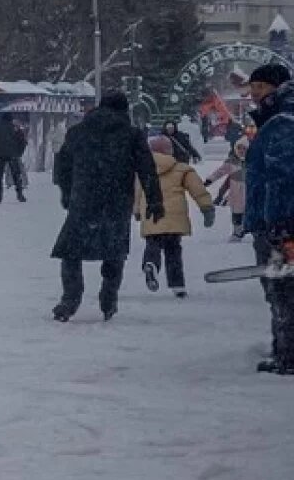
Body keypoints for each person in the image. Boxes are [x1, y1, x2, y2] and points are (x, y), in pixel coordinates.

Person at [51, 91, 162, 322]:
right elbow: (147, 169)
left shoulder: (77, 132)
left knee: (71, 251)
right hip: (117, 201)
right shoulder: (131, 135)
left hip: (83, 200)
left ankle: (70, 298)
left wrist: (67, 192)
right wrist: (154, 199)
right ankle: (109, 298)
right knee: (114, 251)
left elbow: (61, 165)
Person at [241, 62, 294, 374]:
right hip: (278, 217)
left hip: (281, 221)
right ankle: (285, 351)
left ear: (277, 87)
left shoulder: (282, 121)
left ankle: (287, 355)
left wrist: (278, 221)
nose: (254, 94)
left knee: (282, 288)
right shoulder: (277, 117)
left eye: (260, 87)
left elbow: (283, 175)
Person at [134, 135, 215, 298]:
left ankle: (151, 264)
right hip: (174, 216)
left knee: (153, 244)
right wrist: (206, 208)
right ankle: (177, 285)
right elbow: (197, 189)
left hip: (152, 213)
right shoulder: (182, 169)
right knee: (173, 251)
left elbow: (137, 191)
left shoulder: (142, 170)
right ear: (170, 151)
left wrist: (136, 210)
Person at [205, 138, 249, 241]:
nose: (242, 151)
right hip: (236, 193)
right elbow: (219, 172)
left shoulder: (251, 162)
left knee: (250, 212)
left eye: (244, 149)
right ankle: (237, 231)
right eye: (239, 149)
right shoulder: (231, 162)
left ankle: (254, 231)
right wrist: (210, 180)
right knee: (237, 213)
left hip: (249, 191)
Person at [0, 113, 28, 203]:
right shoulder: (16, 129)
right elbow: (23, 142)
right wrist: (18, 153)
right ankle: (20, 194)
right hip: (13, 155)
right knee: (16, 175)